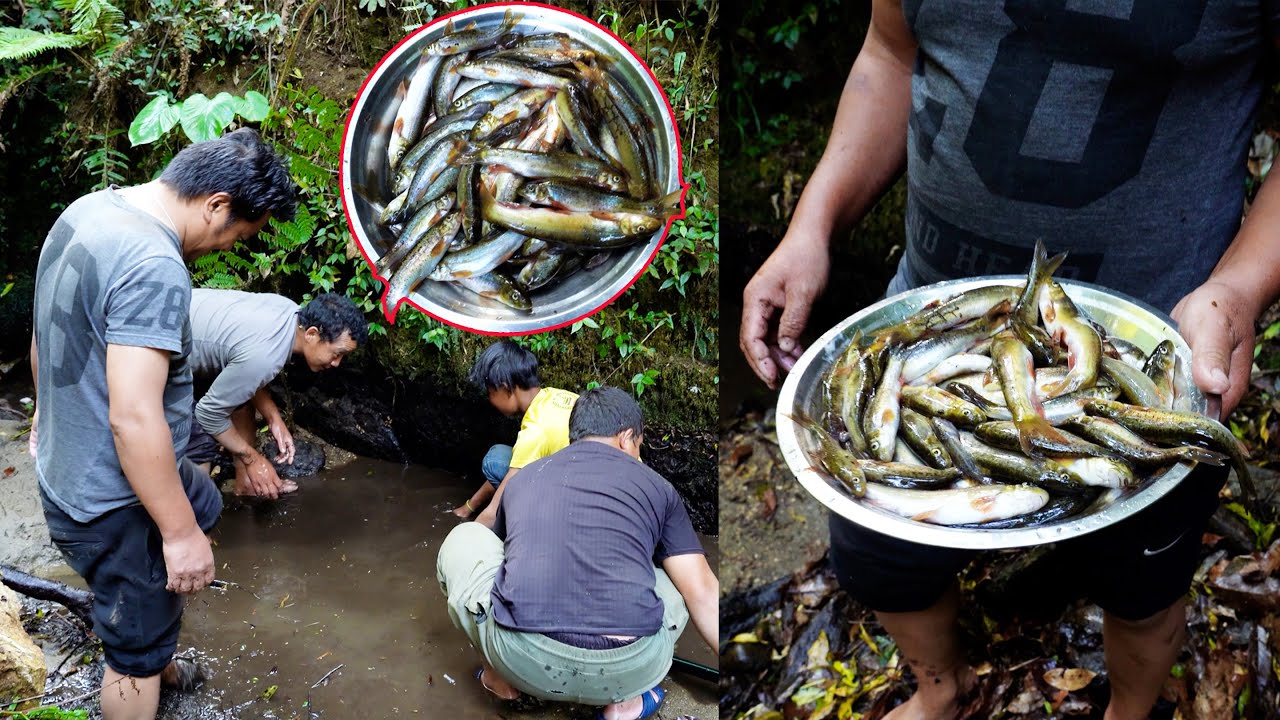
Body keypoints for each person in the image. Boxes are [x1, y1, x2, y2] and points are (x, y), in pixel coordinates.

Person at [739, 3, 1280, 719]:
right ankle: (941, 686)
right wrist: (811, 225)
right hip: (924, 332)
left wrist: (1240, 287)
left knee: (1145, 589)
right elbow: (891, 53)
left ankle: (1128, 706)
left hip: (1156, 365)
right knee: (881, 555)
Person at [31, 128, 297, 720]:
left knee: (202, 501)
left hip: (68, 469)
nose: (228, 248)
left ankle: (155, 640)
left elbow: (45, 329)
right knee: (134, 649)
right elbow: (133, 416)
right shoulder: (154, 264)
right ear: (217, 205)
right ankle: (147, 659)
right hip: (111, 500)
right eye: (237, 234)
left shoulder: (91, 210)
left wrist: (46, 420)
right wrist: (178, 538)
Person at [436, 386, 719, 720]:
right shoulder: (659, 488)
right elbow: (703, 592)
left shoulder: (525, 477)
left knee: (466, 537)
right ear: (626, 438)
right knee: (680, 575)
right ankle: (624, 706)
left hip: (521, 658)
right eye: (639, 447)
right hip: (631, 668)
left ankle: (498, 678)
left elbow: (501, 554)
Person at [184, 290, 368, 498]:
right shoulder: (267, 356)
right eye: (337, 353)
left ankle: (246, 483)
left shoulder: (289, 313)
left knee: (241, 401)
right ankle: (191, 518)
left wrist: (273, 417)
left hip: (187, 330)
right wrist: (253, 459)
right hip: (158, 341)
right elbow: (208, 414)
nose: (337, 363)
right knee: (198, 443)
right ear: (312, 334)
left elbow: (246, 369)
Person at [452, 340, 578, 525]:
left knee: (494, 462)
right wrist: (469, 507)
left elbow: (492, 512)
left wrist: (469, 533)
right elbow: (517, 464)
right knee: (499, 459)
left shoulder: (535, 431)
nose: (490, 400)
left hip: (573, 503)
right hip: (600, 478)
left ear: (506, 388)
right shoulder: (555, 395)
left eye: (490, 392)